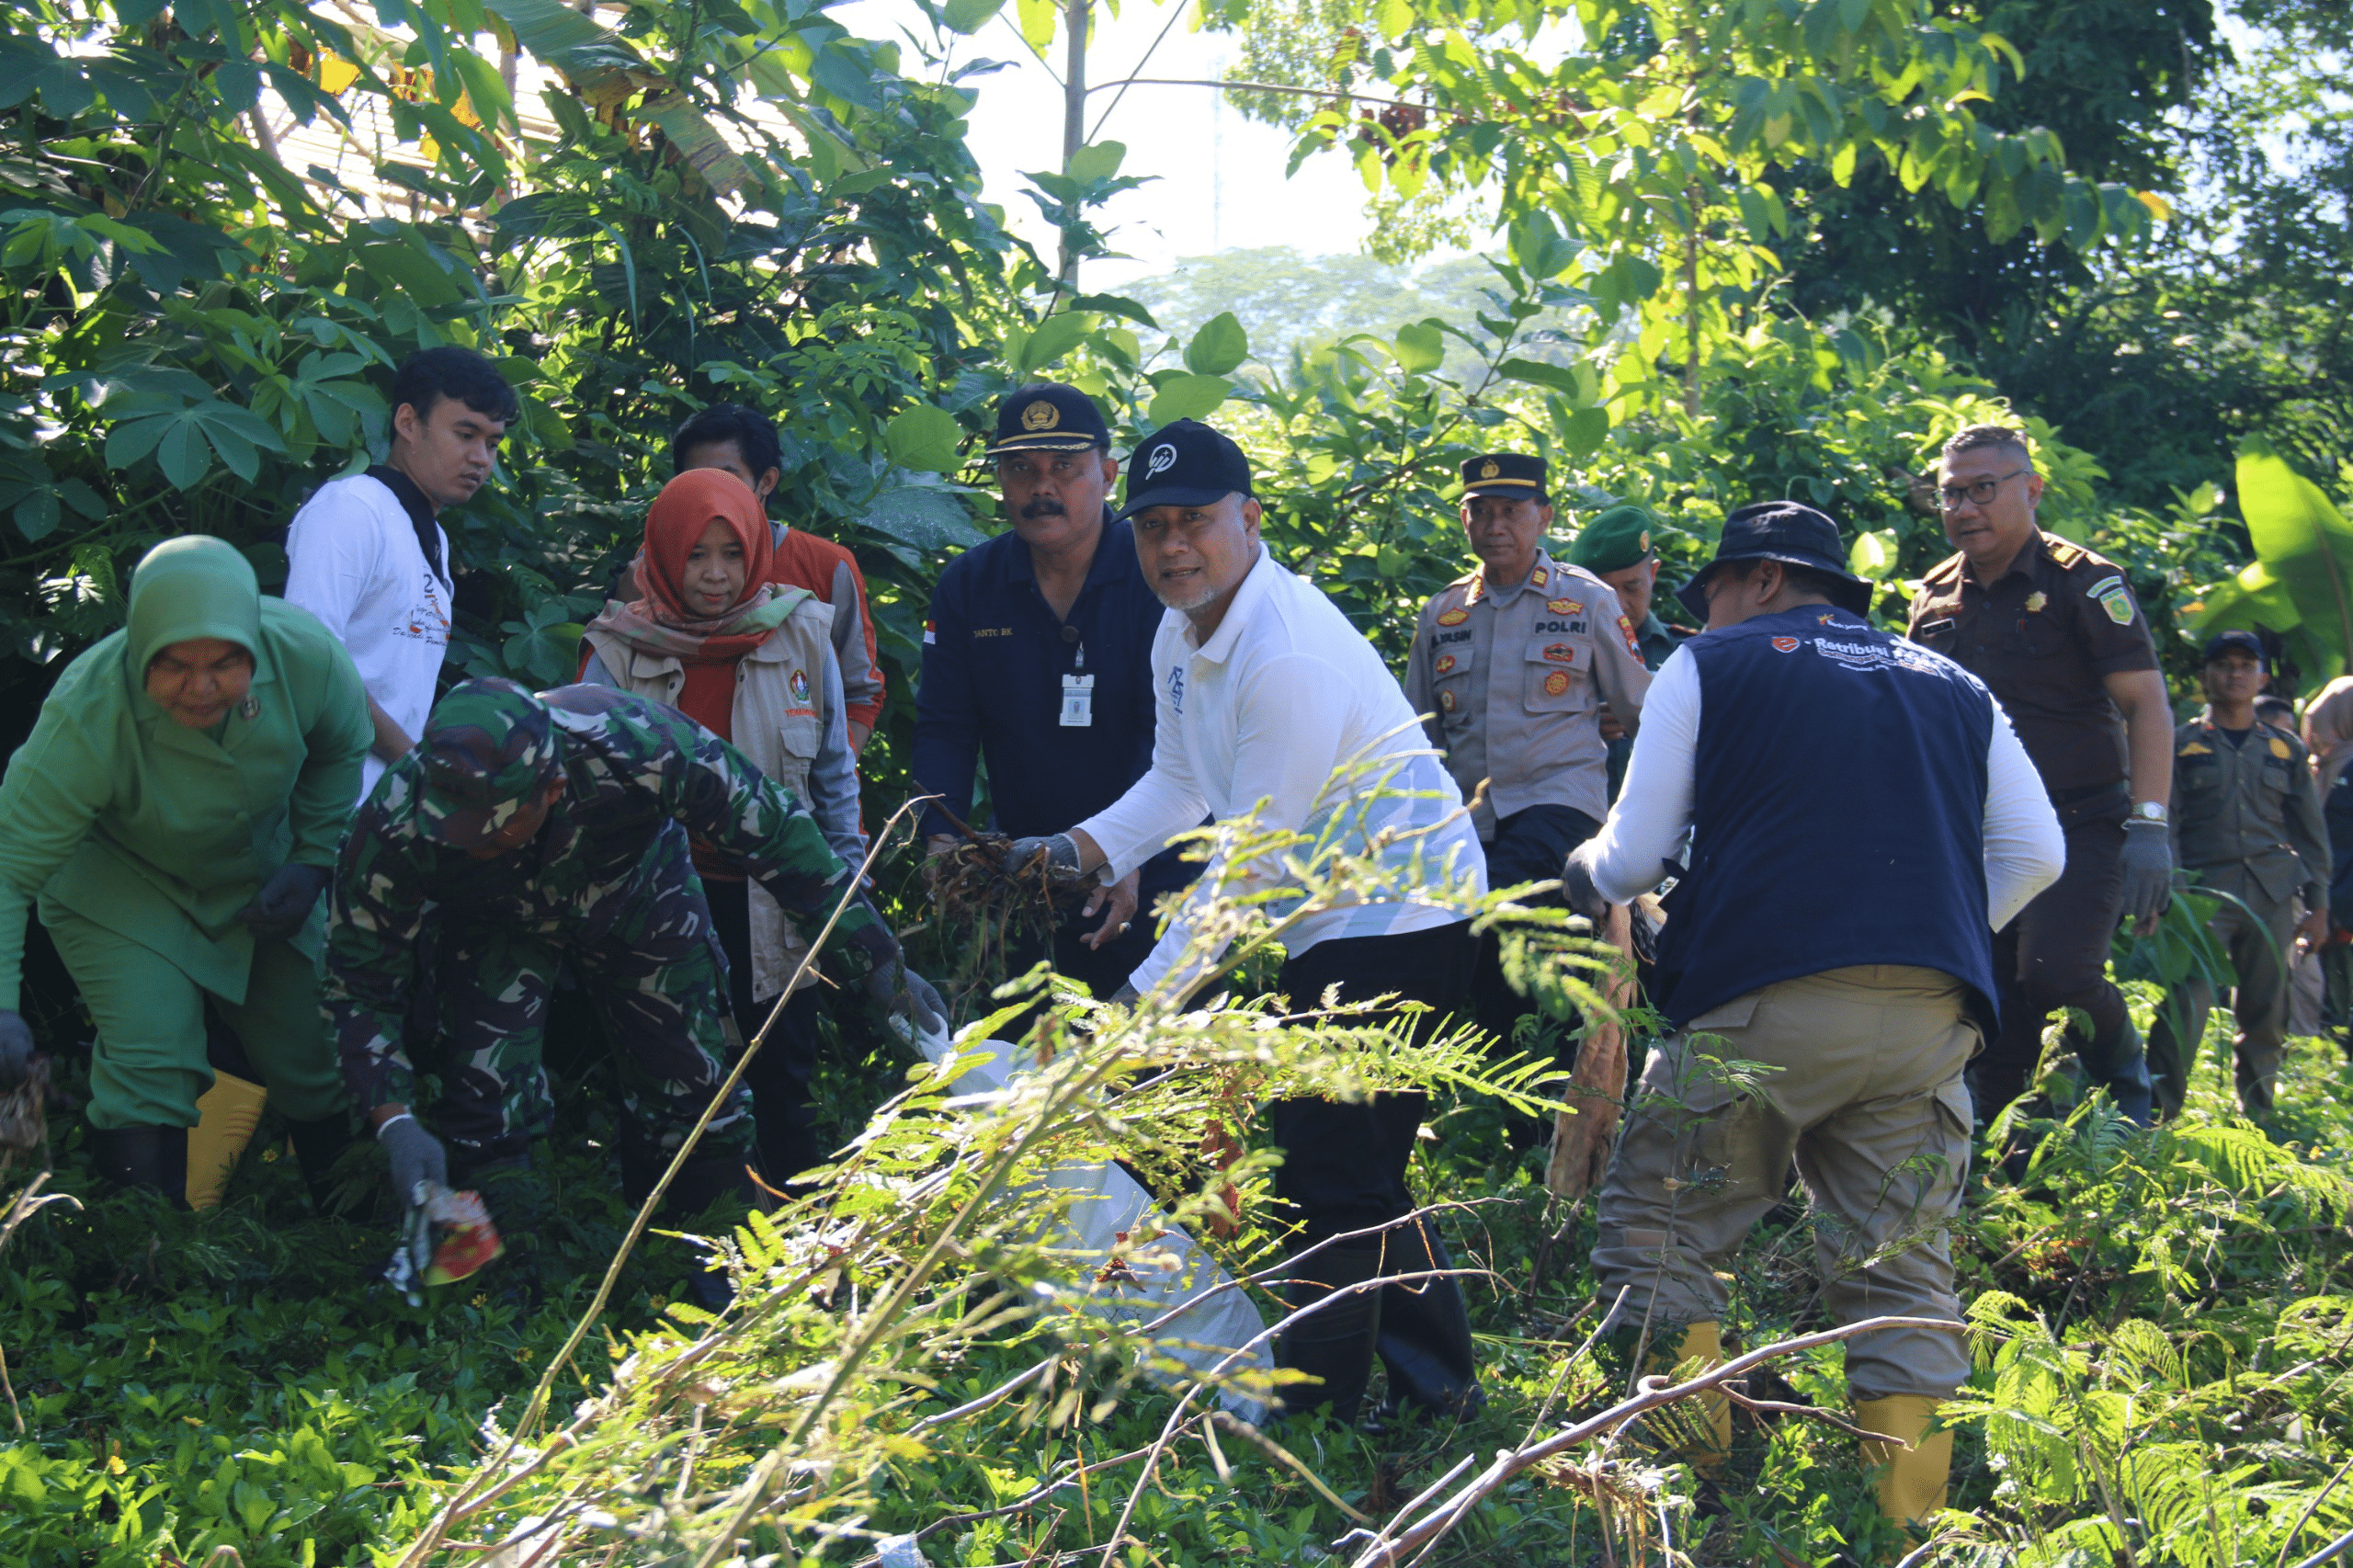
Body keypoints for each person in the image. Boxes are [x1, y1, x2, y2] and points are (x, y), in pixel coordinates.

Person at [1563, 501, 2063, 1528]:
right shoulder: (1955, 681)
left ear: (1758, 581)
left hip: (1761, 1000)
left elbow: (1637, 854)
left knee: (1662, 1229)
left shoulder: (1715, 663)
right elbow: (2039, 853)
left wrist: (1582, 870)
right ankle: (1910, 1524)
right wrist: (1936, 929)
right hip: (1928, 1016)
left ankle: (1683, 1498)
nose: (1705, 613)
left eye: (1713, 594)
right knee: (1901, 1270)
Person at [1006, 418, 1490, 1427]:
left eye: (1195, 522)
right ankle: (1437, 1384)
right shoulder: (1177, 634)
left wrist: (1131, 1010)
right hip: (1338, 917)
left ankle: (1316, 1409)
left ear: (1250, 519)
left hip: (1406, 913)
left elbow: (1249, 872)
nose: (1173, 546)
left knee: (1329, 1163)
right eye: (1153, 528)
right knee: (1344, 1160)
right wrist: (1070, 851)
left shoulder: (1284, 654)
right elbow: (1180, 783)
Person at [322, 678, 941, 1264]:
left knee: (692, 1087)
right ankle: (502, 1290)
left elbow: (778, 837)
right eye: (454, 830)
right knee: (484, 1103)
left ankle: (713, 1263)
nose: (470, 842)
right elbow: (357, 985)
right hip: (494, 926)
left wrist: (876, 961)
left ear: (554, 788)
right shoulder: (397, 819)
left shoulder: (636, 743)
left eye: (494, 827)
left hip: (636, 891)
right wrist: (395, 1120)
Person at [0, 537, 372, 1205]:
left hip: (260, 876)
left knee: (313, 1048)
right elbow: (8, 866)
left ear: (253, 649)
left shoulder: (306, 655)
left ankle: (353, 1221)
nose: (201, 688)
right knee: (152, 1060)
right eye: (173, 666)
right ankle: (147, 1264)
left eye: (226, 664)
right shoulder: (87, 711)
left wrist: (313, 859)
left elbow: (342, 746)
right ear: (140, 648)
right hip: (122, 885)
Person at [581, 469, 866, 1187]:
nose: (714, 575)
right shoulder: (616, 654)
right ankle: (671, 1258)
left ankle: (798, 1256)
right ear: (663, 554)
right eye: (696, 554)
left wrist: (845, 893)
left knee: (782, 1091)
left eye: (732, 554)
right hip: (657, 913)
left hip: (776, 907)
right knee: (666, 1094)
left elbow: (833, 777)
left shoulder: (802, 634)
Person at [1907, 424, 2169, 1127]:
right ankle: (2008, 1153)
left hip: (2079, 821)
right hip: (1975, 833)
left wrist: (2150, 826)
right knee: (1988, 997)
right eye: (1950, 494)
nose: (1965, 508)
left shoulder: (2085, 583)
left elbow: (2146, 703)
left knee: (2058, 975)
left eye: (1983, 489)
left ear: (2031, 489)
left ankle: (2129, 1085)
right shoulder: (1932, 599)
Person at [911, 383, 1188, 1000]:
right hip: (1026, 873)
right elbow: (945, 727)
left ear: (1108, 475)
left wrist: (1127, 851)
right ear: (1000, 480)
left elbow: (1174, 736)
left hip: (1157, 870)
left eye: (1065, 467)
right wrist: (942, 837)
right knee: (1027, 1064)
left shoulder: (1157, 578)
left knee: (1150, 1070)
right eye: (1021, 469)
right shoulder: (969, 586)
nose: (1043, 488)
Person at [1402, 454, 1650, 1053]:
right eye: (1480, 511)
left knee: (1510, 929)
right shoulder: (1443, 613)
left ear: (1543, 517)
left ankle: (1537, 1106)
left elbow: (1646, 712)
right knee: (1483, 980)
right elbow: (1415, 740)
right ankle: (1511, 1118)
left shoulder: (1586, 601)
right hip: (1468, 826)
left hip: (1557, 809)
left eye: (1511, 511)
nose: (1495, 526)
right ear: (1464, 520)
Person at [285, 345, 513, 804]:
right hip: (320, 809)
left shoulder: (433, 538)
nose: (481, 459)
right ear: (408, 423)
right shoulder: (350, 508)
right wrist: (416, 764)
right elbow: (309, 667)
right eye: (465, 434)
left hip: (382, 811)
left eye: (492, 443)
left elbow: (394, 688)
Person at [2146, 631, 2329, 1117]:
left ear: (2262, 677)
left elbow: (2311, 836)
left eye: (2246, 666)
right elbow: (2168, 823)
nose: (2234, 674)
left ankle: (2259, 1117)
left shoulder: (2284, 750)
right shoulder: (2182, 744)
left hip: (2271, 894)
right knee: (2187, 1006)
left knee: (2267, 1012)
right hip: (2204, 896)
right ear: (2206, 676)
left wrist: (2319, 907)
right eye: (2223, 665)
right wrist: (2175, 894)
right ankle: (2159, 1114)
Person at [667, 403, 887, 753]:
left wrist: (830, 781)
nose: (711, 495)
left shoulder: (827, 566)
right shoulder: (658, 567)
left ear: (766, 481)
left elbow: (861, 692)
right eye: (696, 480)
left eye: (727, 478)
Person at [1565, 503, 1690, 800]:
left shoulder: (1685, 655)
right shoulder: (1555, 656)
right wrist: (1579, 725)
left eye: (1632, 587)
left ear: (1653, 575)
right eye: (1603, 593)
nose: (1619, 605)